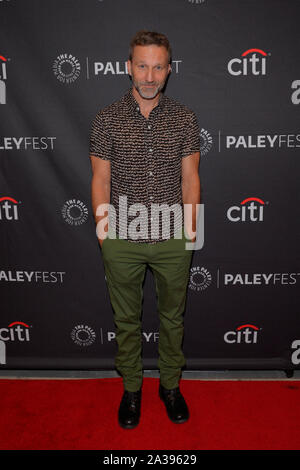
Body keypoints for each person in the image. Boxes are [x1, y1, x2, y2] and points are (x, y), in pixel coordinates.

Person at [89, 30, 200, 429]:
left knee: (173, 319)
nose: (149, 76)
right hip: (122, 237)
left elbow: (191, 178)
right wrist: (105, 232)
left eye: (157, 67)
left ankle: (170, 386)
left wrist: (190, 233)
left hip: (172, 237)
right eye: (142, 66)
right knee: (126, 322)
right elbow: (100, 180)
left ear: (168, 71)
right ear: (128, 68)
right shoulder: (106, 118)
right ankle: (132, 389)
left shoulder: (185, 118)